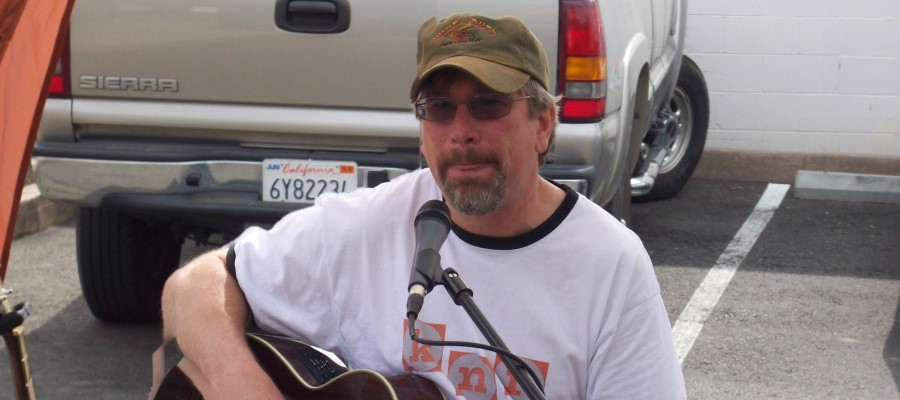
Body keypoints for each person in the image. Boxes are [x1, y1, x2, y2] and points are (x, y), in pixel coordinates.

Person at [160, 12, 686, 400]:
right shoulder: (370, 224)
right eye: (438, 108)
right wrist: (241, 384)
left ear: (543, 125)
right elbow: (194, 285)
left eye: (488, 104)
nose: (461, 131)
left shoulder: (611, 268)